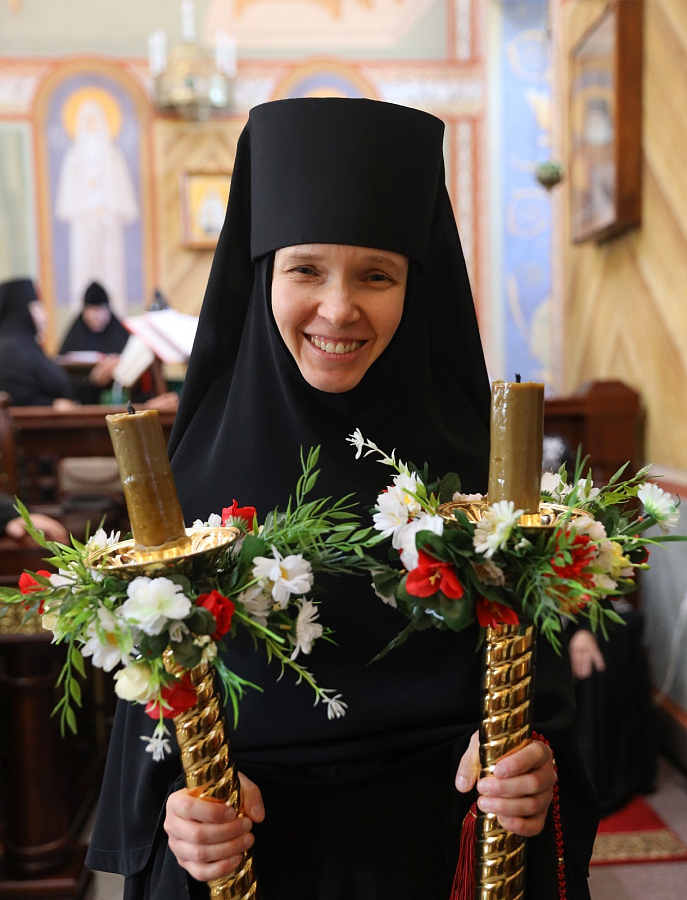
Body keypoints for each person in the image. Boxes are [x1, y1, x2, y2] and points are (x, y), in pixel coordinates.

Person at [86, 99, 598, 900]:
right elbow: (155, 718)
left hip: (442, 848)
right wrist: (178, 810)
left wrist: (533, 764)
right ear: (262, 275)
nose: (337, 309)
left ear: (416, 285)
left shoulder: (480, 474)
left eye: (376, 275)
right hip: (254, 859)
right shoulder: (194, 476)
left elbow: (538, 695)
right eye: (305, 270)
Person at [0, 278, 77, 408]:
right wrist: (52, 405)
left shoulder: (26, 345)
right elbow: (16, 397)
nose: (45, 316)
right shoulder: (11, 349)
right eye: (38, 307)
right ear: (22, 310)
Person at [59, 281, 130, 404]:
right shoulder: (76, 334)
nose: (96, 315)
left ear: (108, 310)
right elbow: (62, 371)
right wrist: (90, 380)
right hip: (82, 401)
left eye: (100, 309)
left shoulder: (119, 332)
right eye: (91, 309)